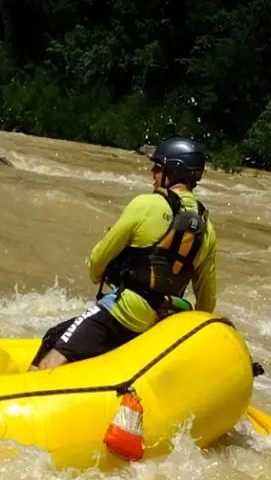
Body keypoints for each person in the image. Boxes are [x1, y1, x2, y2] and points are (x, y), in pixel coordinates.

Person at [30, 137, 218, 370]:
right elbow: (206, 302)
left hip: (121, 313)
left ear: (174, 170)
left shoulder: (146, 205)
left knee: (52, 347)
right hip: (159, 326)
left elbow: (98, 260)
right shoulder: (208, 230)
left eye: (158, 167)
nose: (152, 171)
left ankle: (23, 393)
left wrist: (98, 276)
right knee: (58, 334)